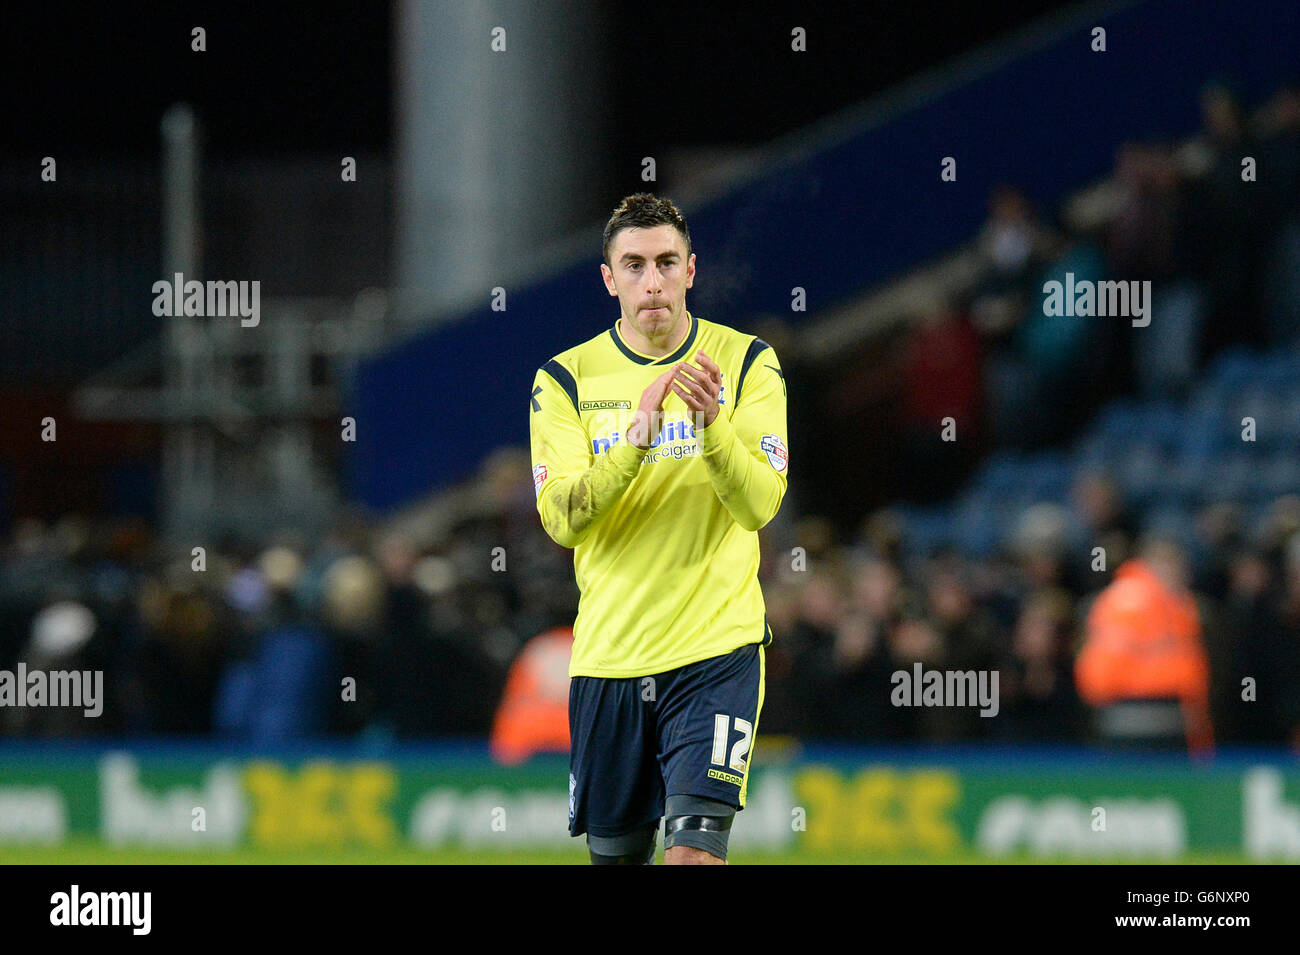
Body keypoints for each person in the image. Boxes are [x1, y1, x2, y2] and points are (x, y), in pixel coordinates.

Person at [528, 193, 789, 864]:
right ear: (609, 278)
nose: (653, 282)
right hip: (611, 659)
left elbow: (759, 504)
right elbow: (562, 517)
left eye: (667, 262)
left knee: (693, 855)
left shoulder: (747, 363)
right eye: (635, 265)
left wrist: (711, 429)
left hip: (715, 652)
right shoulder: (564, 379)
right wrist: (636, 437)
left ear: (692, 270)